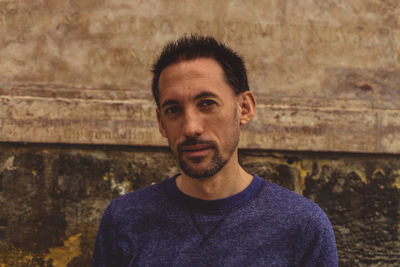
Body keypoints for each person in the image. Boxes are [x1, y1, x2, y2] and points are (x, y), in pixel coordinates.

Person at [92, 35, 338, 266]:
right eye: (173, 110)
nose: (191, 128)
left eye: (207, 104)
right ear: (160, 123)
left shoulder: (302, 224)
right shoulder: (124, 220)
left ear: (244, 108)